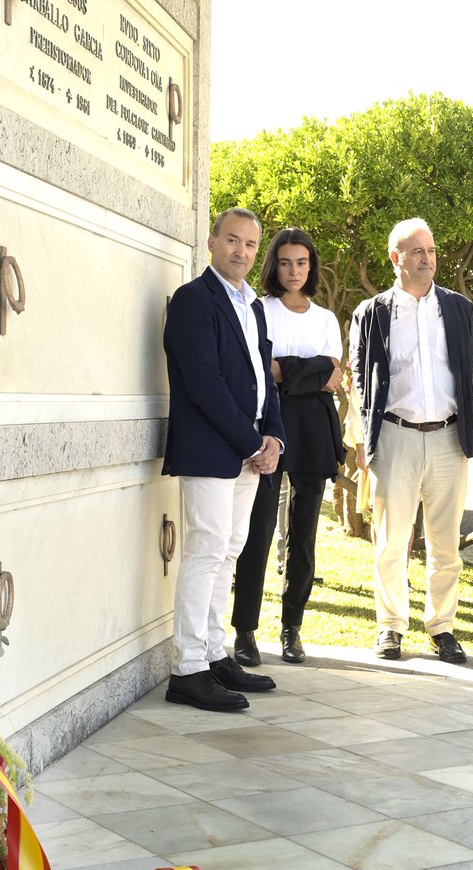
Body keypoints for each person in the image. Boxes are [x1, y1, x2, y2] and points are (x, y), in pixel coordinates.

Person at [161, 208, 286, 711]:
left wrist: (274, 435)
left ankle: (214, 655)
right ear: (212, 242)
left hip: (249, 450)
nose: (241, 251)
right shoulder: (194, 300)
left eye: (251, 245)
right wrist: (250, 442)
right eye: (232, 240)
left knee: (229, 551)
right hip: (212, 449)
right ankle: (187, 669)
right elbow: (204, 384)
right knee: (206, 551)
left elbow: (263, 379)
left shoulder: (252, 306)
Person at [348, 218, 473, 663]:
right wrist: (366, 439)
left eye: (432, 249)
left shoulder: (459, 308)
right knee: (391, 541)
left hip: (448, 438)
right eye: (417, 251)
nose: (428, 258)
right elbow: (361, 382)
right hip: (395, 436)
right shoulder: (372, 312)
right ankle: (390, 627)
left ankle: (442, 627)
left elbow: (466, 371)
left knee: (446, 544)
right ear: (395, 258)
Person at [231, 228, 343, 666]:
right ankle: (245, 631)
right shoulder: (261, 310)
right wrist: (310, 371)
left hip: (315, 429)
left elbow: (334, 375)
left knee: (304, 536)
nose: (293, 271)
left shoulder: (326, 319)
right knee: (257, 532)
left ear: (311, 265)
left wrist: (291, 370)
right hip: (269, 424)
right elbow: (262, 370)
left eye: (301, 262)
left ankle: (292, 628)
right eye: (284, 262)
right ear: (273, 266)